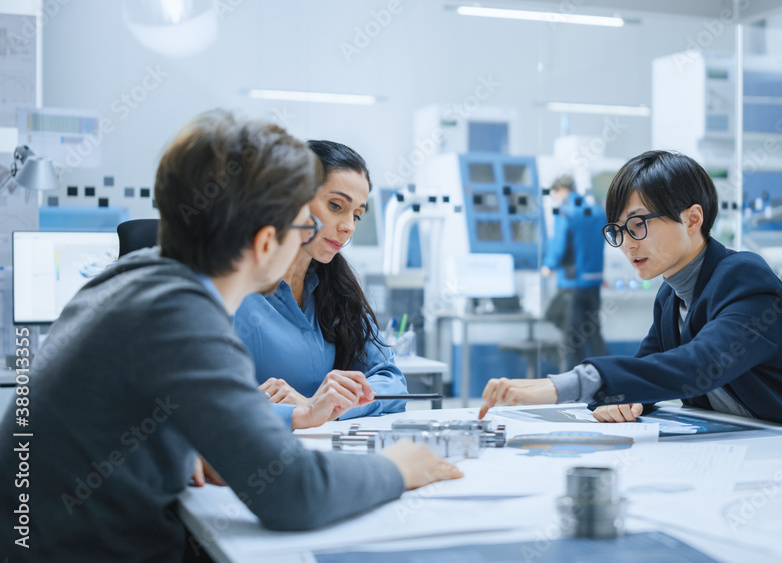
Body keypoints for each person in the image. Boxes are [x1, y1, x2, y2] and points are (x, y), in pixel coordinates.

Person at [0, 111, 461, 562]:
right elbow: (293, 492)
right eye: (303, 222)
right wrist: (398, 467)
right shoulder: (182, 315)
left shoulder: (134, 277)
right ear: (265, 244)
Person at [478, 150, 782, 430]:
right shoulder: (670, 296)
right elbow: (649, 369)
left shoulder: (744, 278)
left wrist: (564, 386)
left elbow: (699, 365)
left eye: (638, 225)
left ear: (692, 220)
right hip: (738, 445)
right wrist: (622, 399)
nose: (627, 245)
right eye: (618, 231)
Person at [235, 141, 406, 427]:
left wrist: (333, 408)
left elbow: (393, 383)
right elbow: (200, 403)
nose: (348, 226)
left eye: (356, 215)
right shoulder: (231, 288)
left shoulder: (337, 289)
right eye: (336, 206)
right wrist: (302, 413)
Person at [542, 175, 609, 370]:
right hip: (594, 281)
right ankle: (607, 375)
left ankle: (573, 380)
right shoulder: (597, 212)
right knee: (592, 331)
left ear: (562, 191)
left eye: (554, 195)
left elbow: (559, 246)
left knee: (570, 334)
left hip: (573, 282)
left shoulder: (565, 213)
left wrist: (548, 265)